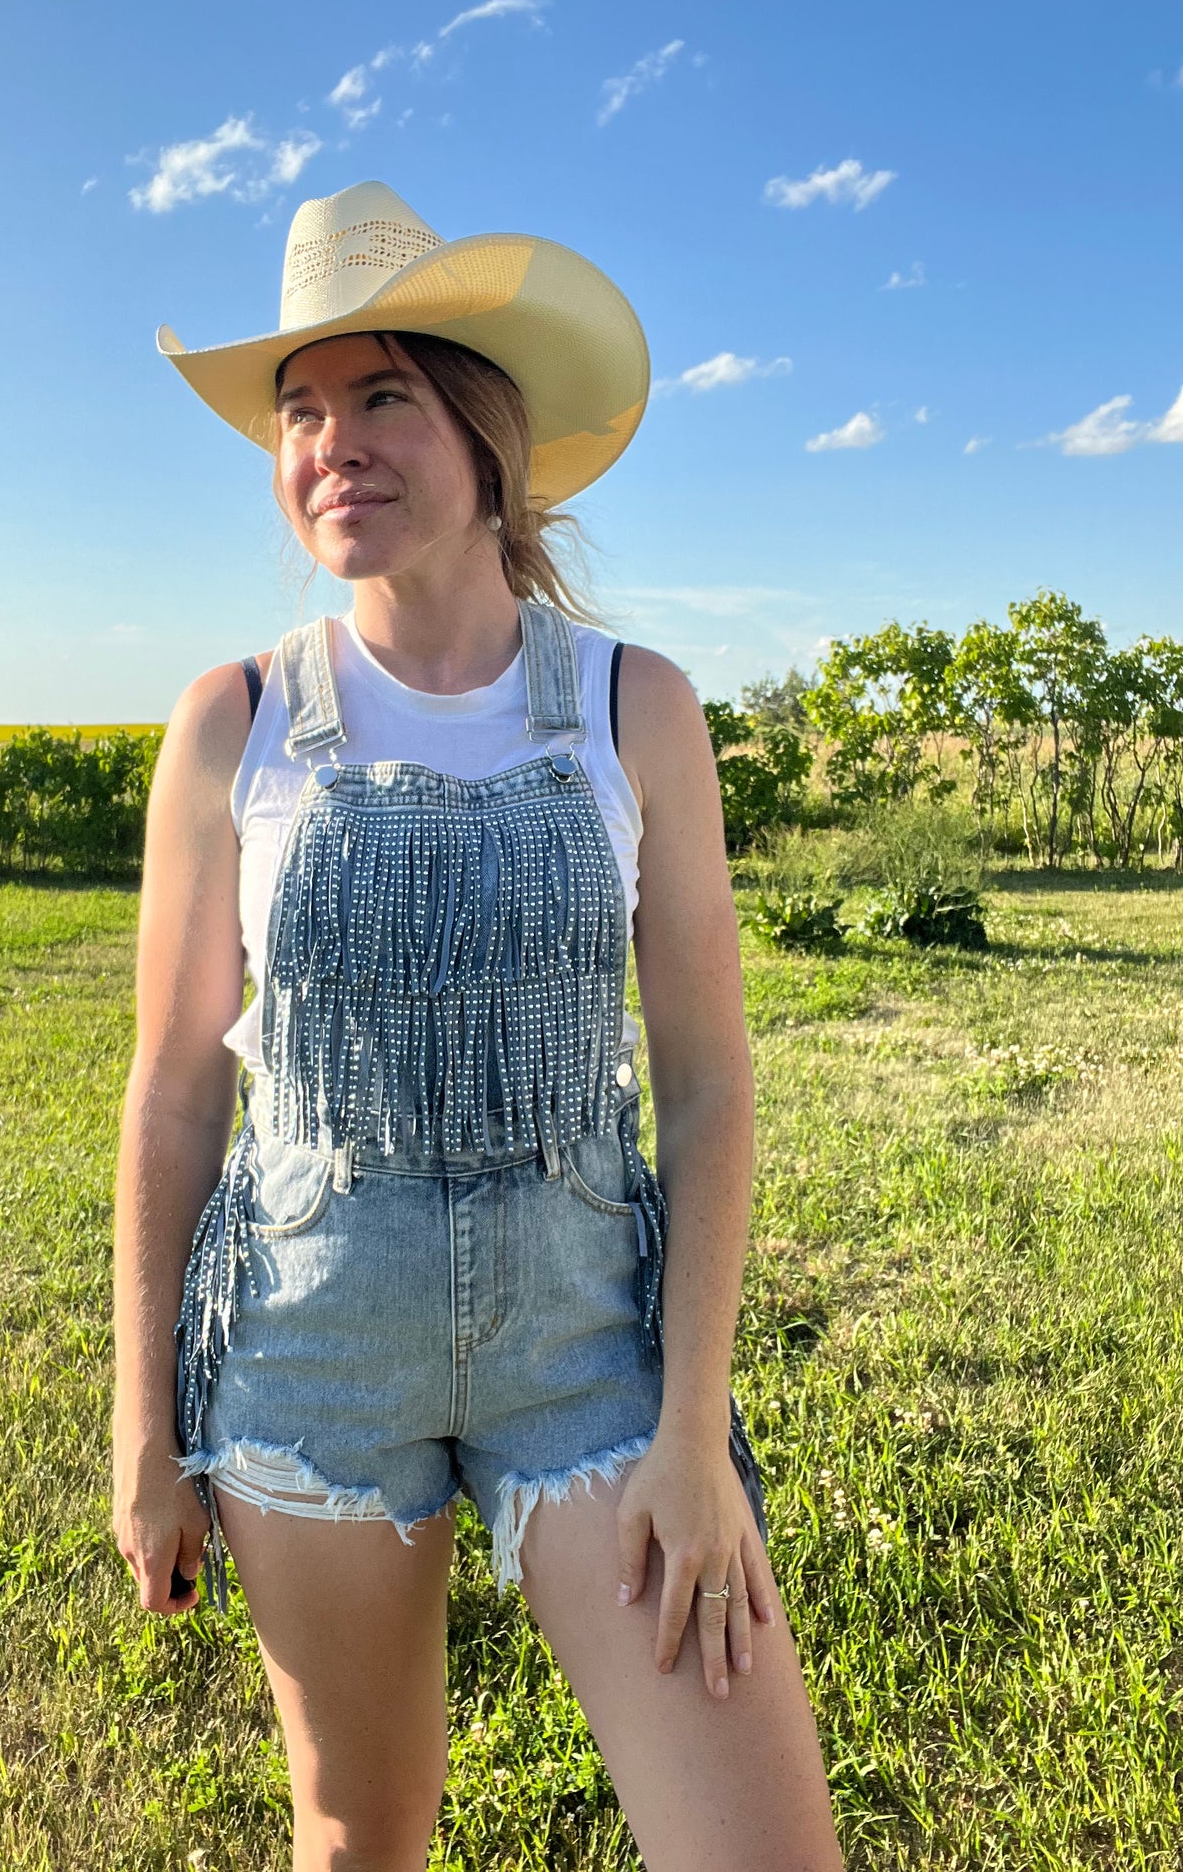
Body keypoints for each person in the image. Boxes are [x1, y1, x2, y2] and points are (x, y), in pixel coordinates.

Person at [111, 181, 843, 1871]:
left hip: (587, 1328)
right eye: (299, 410)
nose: (329, 444)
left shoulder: (629, 705)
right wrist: (144, 1434)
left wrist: (688, 1428)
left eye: (382, 398)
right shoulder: (230, 722)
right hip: (307, 1332)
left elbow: (709, 1081)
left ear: (486, 436)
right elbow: (169, 1099)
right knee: (361, 1834)